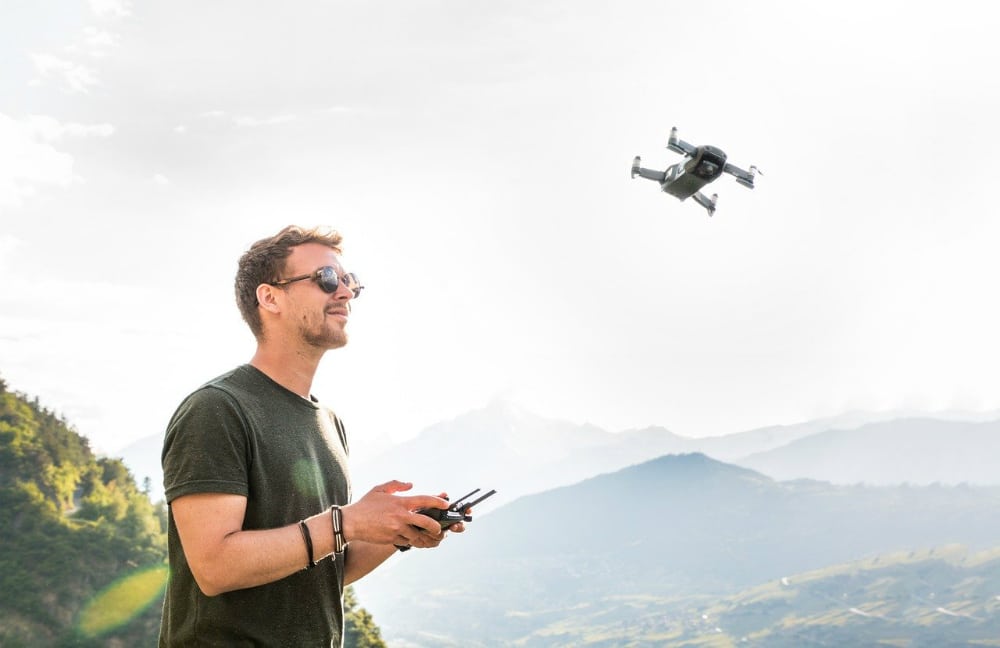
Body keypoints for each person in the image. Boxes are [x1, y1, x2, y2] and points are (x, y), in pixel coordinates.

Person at [159, 225, 459, 647]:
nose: (346, 293)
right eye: (328, 279)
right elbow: (215, 567)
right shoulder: (217, 409)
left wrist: (397, 531)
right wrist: (349, 521)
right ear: (270, 297)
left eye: (350, 282)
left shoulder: (328, 421)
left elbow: (322, 568)